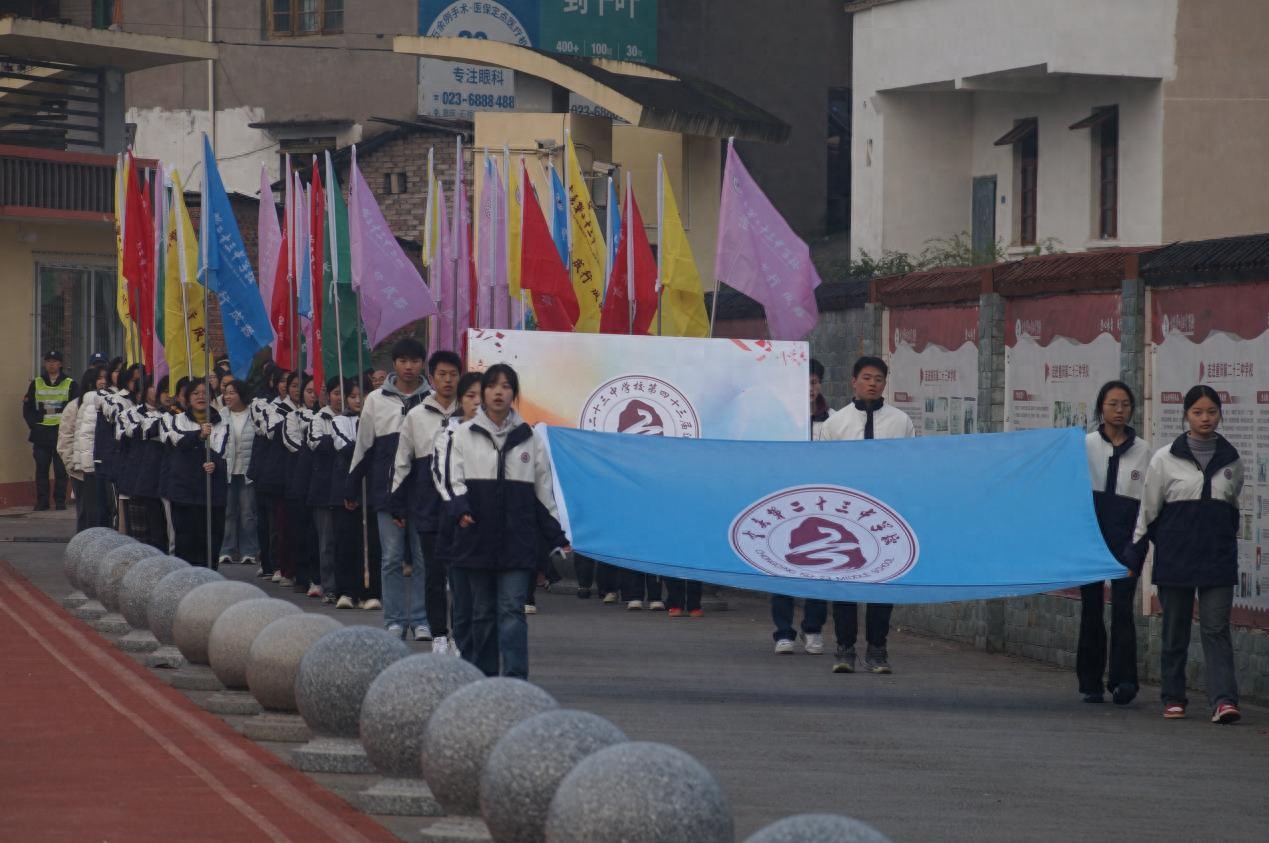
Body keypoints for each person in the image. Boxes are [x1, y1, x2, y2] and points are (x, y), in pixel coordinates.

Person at [440, 364, 569, 679]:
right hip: (476, 537)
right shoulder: (462, 434)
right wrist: (461, 508)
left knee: (512, 611)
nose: (499, 392)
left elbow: (544, 490)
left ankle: (514, 681)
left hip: (516, 539)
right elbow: (451, 479)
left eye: (507, 386)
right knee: (481, 614)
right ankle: (483, 680)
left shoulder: (529, 438)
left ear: (514, 393)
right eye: (493, 385)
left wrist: (555, 534)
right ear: (483, 392)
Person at [1128, 385, 1244, 724]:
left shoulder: (1231, 459)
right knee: (1175, 629)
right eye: (1198, 412)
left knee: (1215, 628)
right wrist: (1134, 556)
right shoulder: (1165, 458)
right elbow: (1148, 510)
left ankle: (1223, 700)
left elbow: (1233, 503)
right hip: (1176, 556)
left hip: (1217, 557)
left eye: (1211, 412)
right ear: (1186, 416)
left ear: (1220, 414)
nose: (1205, 418)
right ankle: (1173, 696)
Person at [819, 355, 915, 674]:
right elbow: (824, 470)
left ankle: (877, 650)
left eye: (879, 378)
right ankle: (844, 649)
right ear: (853, 381)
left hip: (885, 516)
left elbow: (911, 467)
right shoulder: (836, 424)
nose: (873, 383)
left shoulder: (901, 422)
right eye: (867, 377)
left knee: (880, 585)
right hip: (844, 517)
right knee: (844, 584)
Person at [347, 339, 430, 639]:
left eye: (415, 360)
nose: (409, 367)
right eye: (403, 361)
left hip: (425, 495)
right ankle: (394, 620)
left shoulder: (433, 400)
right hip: (386, 491)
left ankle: (422, 619)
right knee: (391, 557)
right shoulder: (376, 400)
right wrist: (351, 488)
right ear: (393, 364)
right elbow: (363, 446)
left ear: (423, 363)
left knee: (423, 559)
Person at [1078, 380, 1149, 705]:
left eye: (1125, 405)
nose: (1120, 410)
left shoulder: (1144, 451)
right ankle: (1090, 682)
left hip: (1126, 542)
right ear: (1101, 408)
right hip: (1091, 541)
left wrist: (1135, 551)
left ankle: (1124, 681)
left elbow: (1147, 506)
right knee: (1091, 611)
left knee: (1123, 612)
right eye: (1113, 404)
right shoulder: (1085, 445)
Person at [390, 351, 462, 652]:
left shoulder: (470, 414)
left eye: (453, 374)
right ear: (432, 377)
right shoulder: (417, 416)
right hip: (428, 505)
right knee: (433, 572)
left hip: (462, 506)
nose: (448, 380)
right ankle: (439, 634)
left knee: (460, 574)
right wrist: (397, 502)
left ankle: (460, 632)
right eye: (442, 374)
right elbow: (402, 462)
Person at [772, 357, 834, 653]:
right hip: (785, 504)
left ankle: (813, 628)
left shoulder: (834, 420)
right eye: (804, 383)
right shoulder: (779, 420)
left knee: (820, 565)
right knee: (780, 565)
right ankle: (784, 631)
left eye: (814, 382)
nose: (810, 388)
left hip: (822, 506)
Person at [161, 380, 227, 568]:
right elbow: (176, 440)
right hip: (184, 490)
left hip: (212, 492)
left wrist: (214, 464)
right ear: (188, 398)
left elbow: (221, 449)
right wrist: (198, 435)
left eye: (205, 392)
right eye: (195, 393)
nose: (200, 396)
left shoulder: (221, 421)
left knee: (211, 540)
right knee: (186, 540)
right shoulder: (177, 420)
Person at [330, 378, 382, 610]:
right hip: (347, 485)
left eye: (362, 396)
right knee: (346, 542)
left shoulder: (377, 420)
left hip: (372, 487)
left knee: (372, 543)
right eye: (352, 396)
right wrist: (364, 439)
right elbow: (347, 447)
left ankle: (371, 592)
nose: (357, 400)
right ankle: (346, 591)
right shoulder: (338, 421)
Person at [23, 350, 78, 511]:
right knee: (41, 470)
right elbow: (28, 408)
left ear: (60, 364)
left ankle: (60, 501)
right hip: (41, 434)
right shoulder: (36, 383)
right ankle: (42, 502)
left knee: (61, 471)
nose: (51, 364)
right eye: (48, 361)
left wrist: (69, 429)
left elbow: (75, 408)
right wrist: (35, 425)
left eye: (54, 361)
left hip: (61, 433)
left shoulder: (70, 383)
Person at [308, 376, 343, 603]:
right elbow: (316, 443)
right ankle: (329, 585)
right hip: (324, 487)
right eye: (336, 393)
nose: (340, 398)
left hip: (348, 487)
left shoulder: (356, 417)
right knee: (327, 541)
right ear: (328, 395)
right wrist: (341, 439)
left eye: (345, 394)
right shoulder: (319, 418)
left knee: (346, 541)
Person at [284, 375, 320, 596]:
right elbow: (293, 443)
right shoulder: (293, 416)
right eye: (308, 391)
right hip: (300, 477)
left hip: (322, 480)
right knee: (301, 530)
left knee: (319, 533)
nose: (313, 395)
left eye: (317, 391)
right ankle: (302, 574)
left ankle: (319, 575)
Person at [219, 380, 260, 567]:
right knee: (228, 513)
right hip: (227, 471)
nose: (227, 396)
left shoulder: (253, 414)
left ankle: (249, 551)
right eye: (226, 393)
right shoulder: (221, 415)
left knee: (247, 513)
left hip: (247, 471)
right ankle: (226, 550)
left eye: (232, 393)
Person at [57, 365, 101, 530]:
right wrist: (72, 465)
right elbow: (64, 439)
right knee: (85, 513)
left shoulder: (108, 404)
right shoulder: (74, 406)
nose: (104, 382)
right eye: (100, 378)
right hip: (80, 472)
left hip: (102, 468)